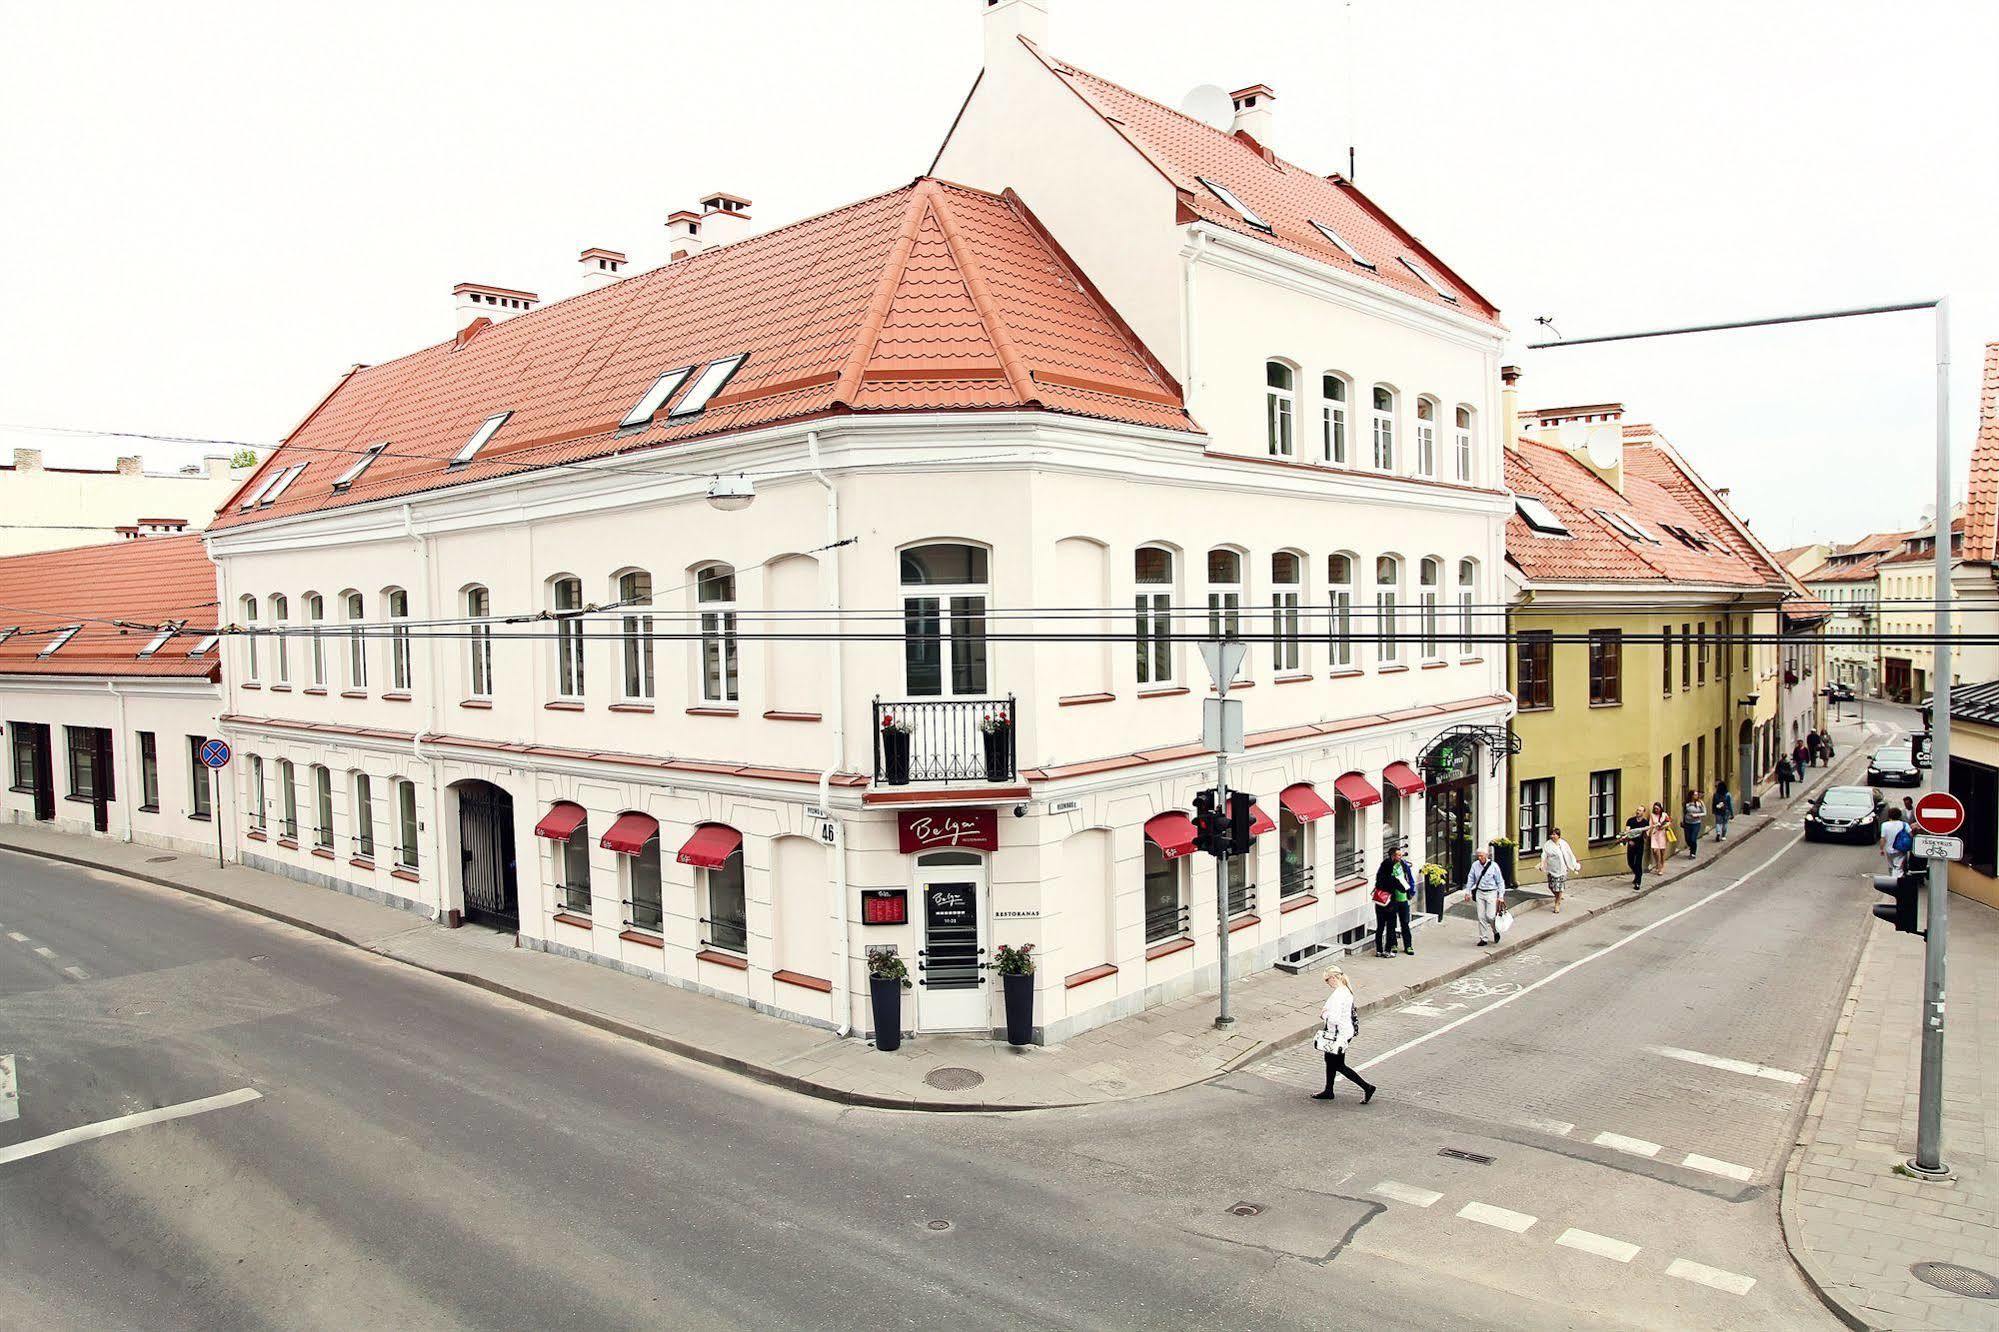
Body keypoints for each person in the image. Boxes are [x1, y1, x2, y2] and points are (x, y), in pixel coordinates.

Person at [1312, 968, 1376, 1103]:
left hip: (1338, 1034)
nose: (1327, 983)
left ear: (1333, 978)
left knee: (1338, 1064)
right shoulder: (1346, 990)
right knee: (1330, 1060)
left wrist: (1324, 1014)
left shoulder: (1339, 994)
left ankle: (1367, 1087)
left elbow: (1333, 1018)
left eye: (1327, 980)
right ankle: (1328, 1090)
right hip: (1344, 1032)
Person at [1466, 846, 1507, 946]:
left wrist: (1501, 896)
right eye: (1478, 856)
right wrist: (1468, 892)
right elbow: (1471, 878)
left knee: (1490, 916)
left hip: (1491, 892)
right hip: (1480, 892)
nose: (1480, 858)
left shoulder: (1494, 866)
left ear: (1486, 856)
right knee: (1481, 916)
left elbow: (1500, 882)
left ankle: (1495, 930)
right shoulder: (1475, 865)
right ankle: (1483, 938)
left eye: (1482, 856)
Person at [1539, 827, 1581, 913]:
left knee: (1559, 887)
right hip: (1552, 868)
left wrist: (1574, 865)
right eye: (1551, 834)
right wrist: (1542, 864)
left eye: (1554, 834)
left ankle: (1557, 904)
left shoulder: (1563, 844)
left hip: (1562, 868)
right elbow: (1544, 855)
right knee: (1551, 886)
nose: (1553, 836)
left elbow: (1569, 854)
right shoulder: (1548, 844)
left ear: (1558, 835)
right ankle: (1557, 897)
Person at [1386, 846, 1417, 954]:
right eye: (1398, 855)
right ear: (1392, 856)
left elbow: (1410, 878)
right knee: (1391, 923)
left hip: (1403, 898)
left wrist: (1412, 891)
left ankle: (1408, 946)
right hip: (1391, 899)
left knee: (1405, 923)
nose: (1400, 856)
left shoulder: (1403, 865)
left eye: (1401, 855)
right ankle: (1393, 944)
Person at [1370, 853, 1399, 957]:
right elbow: (1402, 888)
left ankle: (1379, 950)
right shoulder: (1392, 878)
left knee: (1380, 927)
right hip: (1390, 905)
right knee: (1390, 928)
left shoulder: (1379, 877)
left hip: (1379, 905)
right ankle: (1387, 951)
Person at [1624, 807, 1651, 890]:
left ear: (1643, 812)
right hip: (1631, 844)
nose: (1637, 812)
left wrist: (1647, 833)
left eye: (1640, 810)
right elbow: (1627, 831)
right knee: (1630, 862)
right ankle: (1637, 874)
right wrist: (1629, 840)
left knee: (1638, 863)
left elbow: (1646, 835)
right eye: (1637, 810)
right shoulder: (1631, 820)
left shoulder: (1645, 822)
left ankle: (1638, 882)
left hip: (1639, 844)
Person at [1880, 806, 1910, 874]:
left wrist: (1881, 849)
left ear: (1889, 816)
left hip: (1889, 850)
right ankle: (1897, 881)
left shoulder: (1884, 825)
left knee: (1891, 867)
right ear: (1900, 816)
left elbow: (1883, 839)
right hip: (1901, 850)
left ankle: (1892, 879)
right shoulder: (1905, 825)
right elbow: (1911, 835)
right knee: (1899, 867)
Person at [1648, 801, 1672, 875]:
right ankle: (1658, 865)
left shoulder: (1664, 815)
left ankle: (1661, 865)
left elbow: (1669, 822)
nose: (1656, 810)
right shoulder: (1652, 815)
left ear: (1660, 809)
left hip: (1662, 834)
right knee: (1655, 850)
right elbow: (1650, 824)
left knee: (1662, 851)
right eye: (1655, 808)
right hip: (1655, 834)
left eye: (1657, 808)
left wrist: (1663, 826)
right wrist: (1648, 833)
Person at [1682, 788, 1706, 859]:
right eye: (1695, 795)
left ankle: (1693, 853)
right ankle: (1691, 846)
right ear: (1691, 795)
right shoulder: (1686, 803)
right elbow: (1684, 812)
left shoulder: (1700, 803)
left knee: (1693, 838)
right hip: (1687, 823)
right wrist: (1683, 820)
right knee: (1688, 839)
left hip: (1696, 823)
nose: (1696, 796)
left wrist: (1697, 815)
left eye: (1697, 795)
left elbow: (1704, 813)